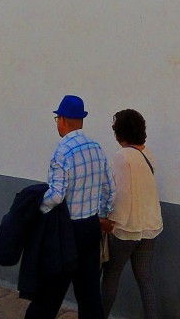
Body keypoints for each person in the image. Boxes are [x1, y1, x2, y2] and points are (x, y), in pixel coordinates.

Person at [25, 94, 115, 319]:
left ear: (62, 120)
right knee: (89, 294)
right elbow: (110, 189)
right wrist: (102, 215)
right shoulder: (97, 148)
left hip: (66, 231)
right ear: (81, 120)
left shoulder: (62, 152)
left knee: (49, 292)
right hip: (91, 228)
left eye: (57, 119)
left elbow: (56, 196)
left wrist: (36, 209)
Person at [100, 109, 163, 319]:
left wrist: (110, 222)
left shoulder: (122, 157)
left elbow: (119, 194)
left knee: (110, 276)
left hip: (126, 229)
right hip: (150, 226)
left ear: (120, 133)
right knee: (145, 279)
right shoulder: (148, 154)